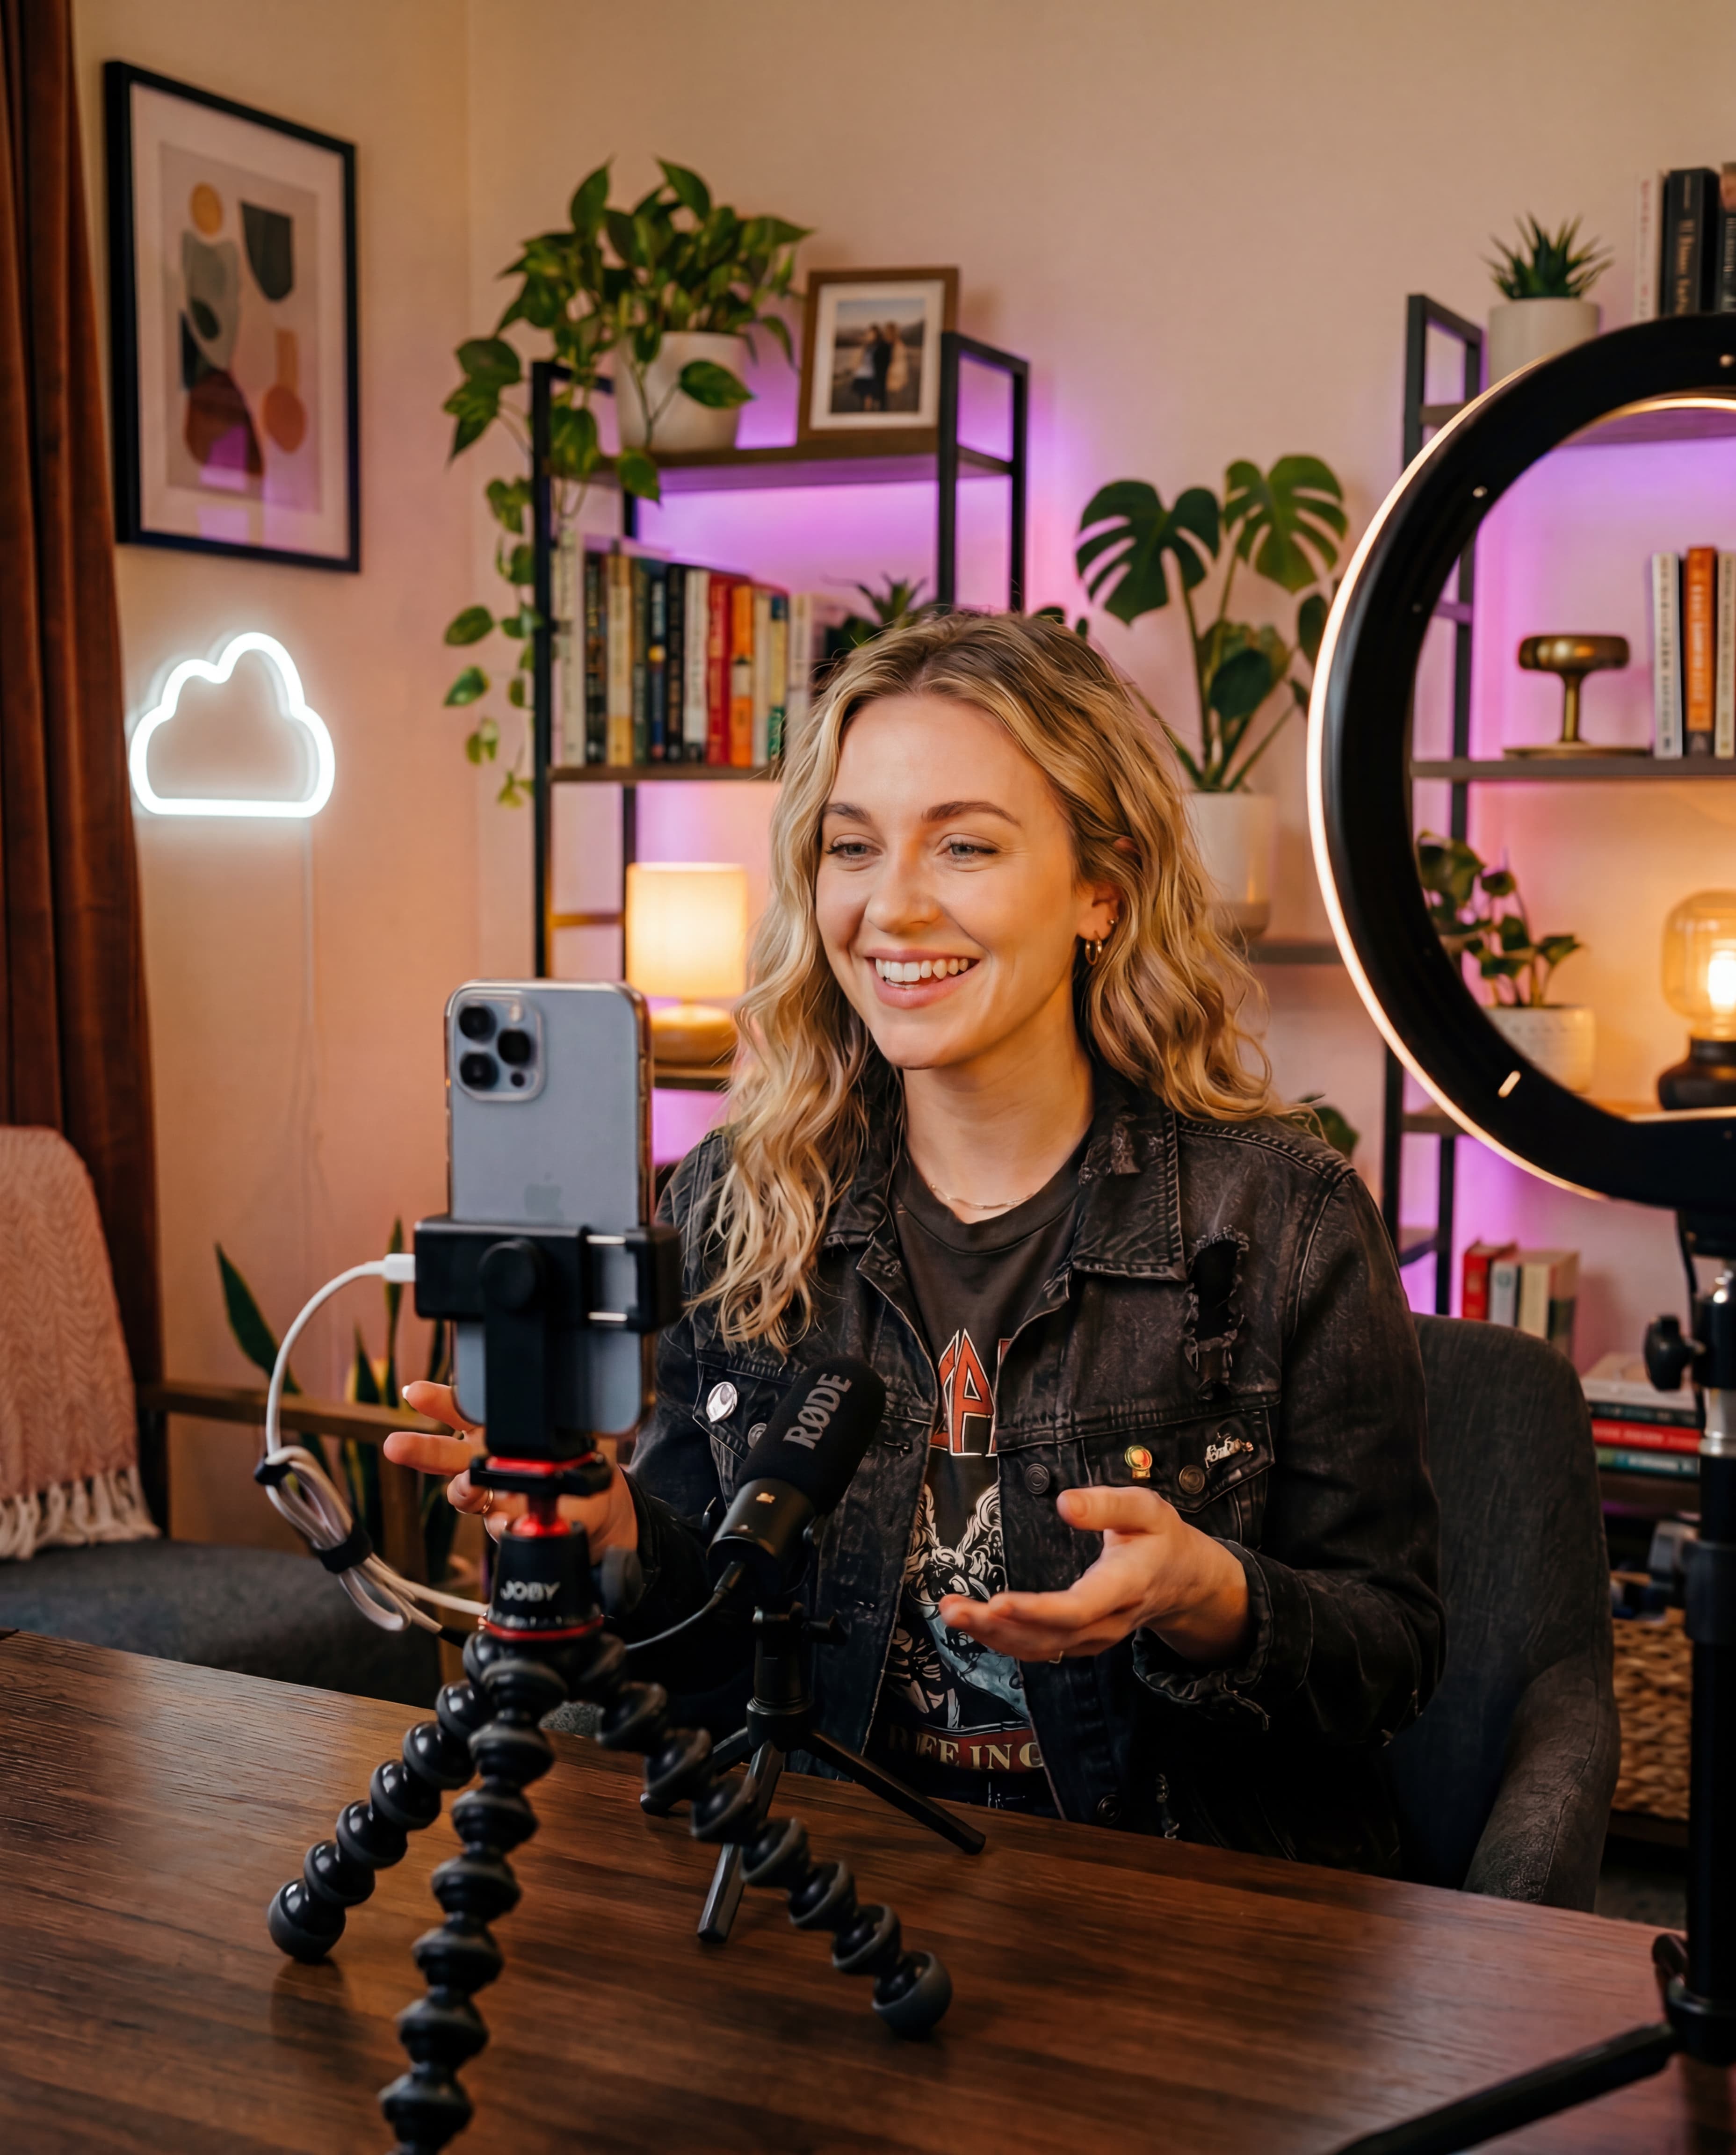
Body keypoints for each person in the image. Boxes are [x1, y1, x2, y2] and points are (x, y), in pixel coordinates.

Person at [388, 612, 1442, 1870]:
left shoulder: (1283, 1216)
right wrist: (615, 1530)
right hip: (822, 1880)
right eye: (853, 847)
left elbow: (1395, 1659)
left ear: (1100, 889)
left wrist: (1208, 1595)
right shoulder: (737, 1200)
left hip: (1163, 1898)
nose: (891, 906)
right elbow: (710, 1634)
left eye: (965, 845)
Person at [849, 325, 881, 411]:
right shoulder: (865, 347)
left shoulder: (878, 347)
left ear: (876, 335)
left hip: (871, 375)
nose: (869, 336)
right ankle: (863, 411)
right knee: (861, 396)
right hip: (861, 374)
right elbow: (860, 360)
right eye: (868, 334)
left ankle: (867, 412)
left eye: (872, 334)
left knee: (868, 397)